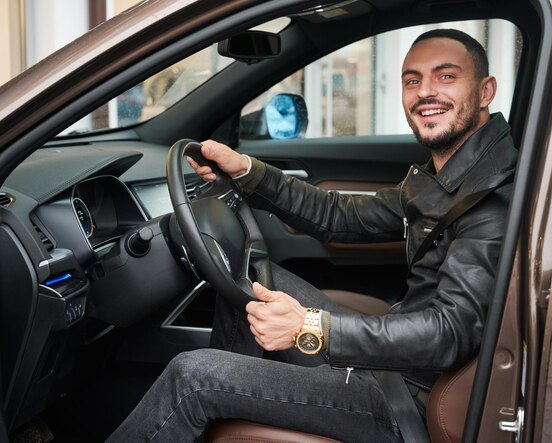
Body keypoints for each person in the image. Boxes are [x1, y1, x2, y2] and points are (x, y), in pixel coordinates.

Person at [107, 29, 517, 443]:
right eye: (412, 80)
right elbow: (339, 215)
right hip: (397, 360)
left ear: (485, 91)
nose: (425, 92)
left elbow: (448, 334)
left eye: (446, 77)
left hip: (405, 399)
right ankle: (225, 409)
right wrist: (248, 171)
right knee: (252, 285)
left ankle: (213, 397)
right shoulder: (451, 177)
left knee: (191, 376)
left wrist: (312, 326)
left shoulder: (487, 198)